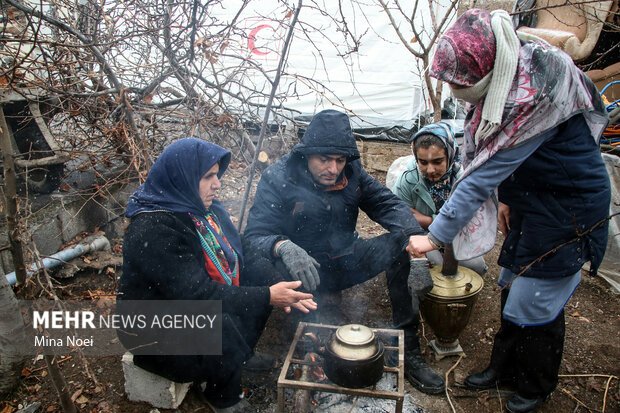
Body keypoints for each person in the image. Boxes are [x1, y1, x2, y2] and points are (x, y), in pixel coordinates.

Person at [408, 9, 610, 413]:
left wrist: (434, 237)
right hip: (534, 198)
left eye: (457, 83)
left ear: (487, 70)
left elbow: (481, 175)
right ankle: (504, 369)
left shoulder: (534, 91)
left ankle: (536, 385)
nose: (453, 89)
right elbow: (504, 159)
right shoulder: (506, 73)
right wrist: (509, 200)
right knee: (511, 283)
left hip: (569, 206)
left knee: (538, 300)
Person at [243, 109, 445, 394]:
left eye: (339, 160)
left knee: (400, 245)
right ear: (307, 154)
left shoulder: (353, 173)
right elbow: (254, 234)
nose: (333, 168)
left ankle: (409, 347)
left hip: (347, 262)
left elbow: (387, 205)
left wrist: (415, 239)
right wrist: (283, 246)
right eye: (324, 159)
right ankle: (243, 351)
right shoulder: (279, 177)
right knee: (252, 262)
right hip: (300, 275)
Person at [118, 138, 316, 412]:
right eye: (208, 176)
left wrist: (275, 284)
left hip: (189, 305)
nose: (218, 184)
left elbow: (240, 249)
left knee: (265, 280)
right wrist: (269, 295)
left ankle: (239, 355)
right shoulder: (153, 228)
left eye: (217, 175)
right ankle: (223, 395)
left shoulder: (204, 209)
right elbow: (198, 296)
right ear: (183, 177)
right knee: (220, 319)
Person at [390, 121, 486, 275]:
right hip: (420, 235)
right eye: (423, 162)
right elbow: (399, 218)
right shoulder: (407, 181)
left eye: (437, 161)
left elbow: (469, 218)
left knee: (476, 267)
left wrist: (429, 220)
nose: (430, 169)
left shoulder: (462, 179)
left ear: (450, 154)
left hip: (456, 236)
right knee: (435, 267)